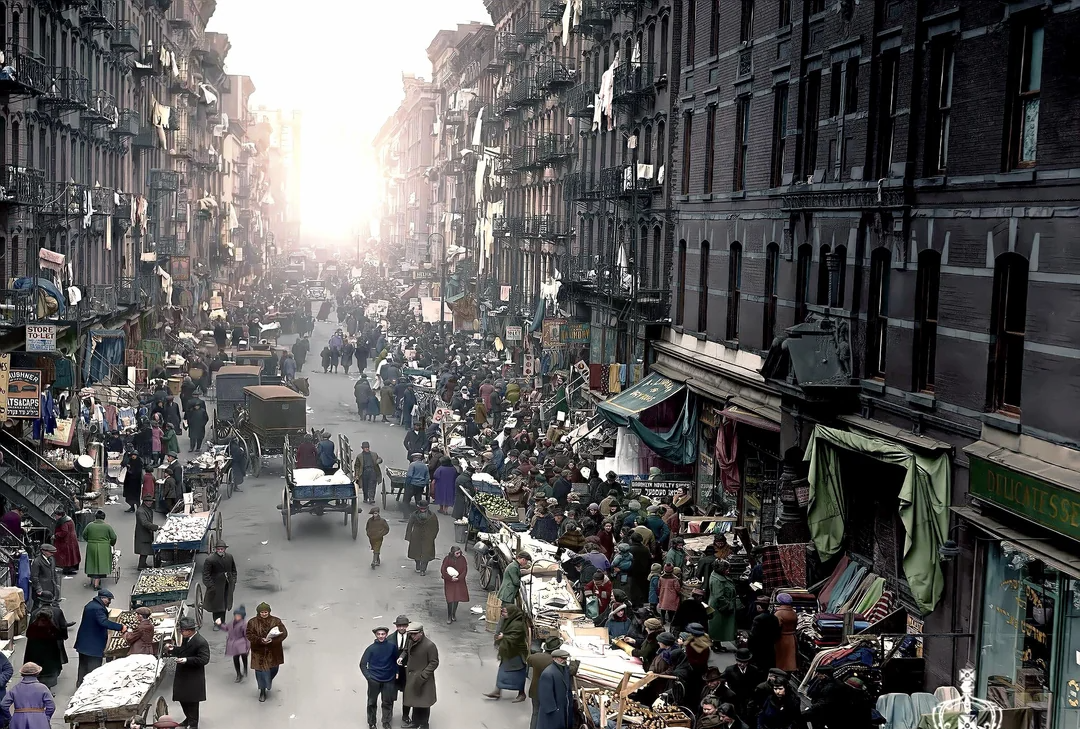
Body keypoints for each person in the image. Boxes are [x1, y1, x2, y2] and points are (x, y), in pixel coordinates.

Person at [73, 589, 125, 687]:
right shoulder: (98, 609)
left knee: (83, 665)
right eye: (109, 600)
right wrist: (120, 627)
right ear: (103, 598)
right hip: (93, 644)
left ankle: (80, 683)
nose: (109, 602)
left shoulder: (91, 605)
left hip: (84, 642)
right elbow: (103, 622)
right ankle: (91, 687)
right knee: (94, 667)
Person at [169, 617, 209, 728]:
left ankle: (193, 724)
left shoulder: (200, 642)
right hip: (184, 675)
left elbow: (204, 659)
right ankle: (188, 719)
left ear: (190, 630)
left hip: (193, 677)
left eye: (183, 630)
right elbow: (183, 650)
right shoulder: (187, 638)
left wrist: (186, 660)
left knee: (192, 703)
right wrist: (173, 649)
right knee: (183, 699)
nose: (181, 632)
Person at [484, 604, 529, 702]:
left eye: (505, 612)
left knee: (518, 675)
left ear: (511, 613)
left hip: (516, 654)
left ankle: (521, 694)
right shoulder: (507, 621)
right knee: (502, 672)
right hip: (508, 653)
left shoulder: (518, 625)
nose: (503, 614)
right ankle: (497, 691)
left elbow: (515, 638)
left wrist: (503, 637)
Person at [247, 602, 288, 702]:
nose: (264, 614)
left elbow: (284, 633)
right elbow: (249, 635)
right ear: (258, 612)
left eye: (266, 612)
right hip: (258, 652)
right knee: (260, 672)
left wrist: (273, 641)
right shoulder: (252, 622)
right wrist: (260, 640)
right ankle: (262, 691)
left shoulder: (276, 621)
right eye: (262, 612)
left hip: (273, 651)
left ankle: (268, 680)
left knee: (274, 669)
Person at [361, 626, 400, 729]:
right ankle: (372, 723)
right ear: (375, 635)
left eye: (383, 634)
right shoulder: (370, 649)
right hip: (374, 680)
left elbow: (396, 661)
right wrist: (369, 677)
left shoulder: (392, 647)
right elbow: (363, 664)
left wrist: (396, 672)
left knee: (387, 702)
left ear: (386, 634)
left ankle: (386, 722)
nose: (381, 636)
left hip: (389, 679)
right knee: (371, 702)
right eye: (378, 634)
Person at [401, 624, 439, 729]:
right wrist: (401, 657)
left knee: (424, 702)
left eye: (414, 634)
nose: (412, 636)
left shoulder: (429, 645)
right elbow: (405, 650)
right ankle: (415, 722)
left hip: (424, 679)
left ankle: (424, 724)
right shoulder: (410, 641)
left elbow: (434, 662)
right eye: (411, 634)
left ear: (421, 633)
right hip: (412, 677)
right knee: (415, 701)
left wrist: (423, 675)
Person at [22, 595, 63, 688]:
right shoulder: (51, 626)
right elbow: (60, 634)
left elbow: (28, 634)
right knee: (48, 673)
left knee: (38, 671)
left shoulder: (34, 620)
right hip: (50, 656)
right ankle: (46, 690)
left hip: (35, 653)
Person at [1, 663, 54, 729]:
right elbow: (51, 706)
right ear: (37, 673)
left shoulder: (16, 688)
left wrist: (9, 718)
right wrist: (46, 718)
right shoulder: (43, 688)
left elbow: (3, 705)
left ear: (22, 674)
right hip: (39, 720)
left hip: (18, 720)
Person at [526, 638, 562, 729]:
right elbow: (569, 671)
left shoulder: (536, 657)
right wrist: (575, 663)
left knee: (535, 713)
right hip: (549, 694)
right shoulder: (557, 662)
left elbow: (528, 660)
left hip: (535, 691)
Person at [202, 543, 237, 629]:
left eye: (222, 549)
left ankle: (223, 622)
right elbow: (206, 574)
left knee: (224, 604)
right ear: (216, 549)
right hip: (216, 586)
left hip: (227, 584)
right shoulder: (210, 559)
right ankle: (217, 623)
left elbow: (233, 570)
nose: (220, 551)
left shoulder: (229, 557)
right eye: (219, 549)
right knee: (217, 606)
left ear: (225, 549)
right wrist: (211, 586)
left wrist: (233, 580)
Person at [536, 648, 573, 729]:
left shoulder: (564, 669)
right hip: (554, 712)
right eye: (562, 658)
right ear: (554, 658)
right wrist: (554, 710)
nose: (564, 660)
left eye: (565, 658)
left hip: (563, 708)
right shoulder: (548, 673)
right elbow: (545, 696)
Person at [81, 511, 116, 592]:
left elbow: (84, 535)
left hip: (91, 546)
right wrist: (111, 543)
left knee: (92, 563)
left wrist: (89, 541)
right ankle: (96, 584)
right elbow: (113, 537)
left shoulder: (90, 525)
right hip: (103, 547)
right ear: (104, 518)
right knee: (101, 564)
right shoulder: (107, 527)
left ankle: (93, 578)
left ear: (95, 517)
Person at [708, 561, 737, 649]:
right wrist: (728, 604)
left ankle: (717, 644)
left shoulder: (719, 576)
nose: (728, 570)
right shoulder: (717, 580)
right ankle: (716, 644)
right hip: (720, 607)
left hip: (720, 606)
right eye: (726, 569)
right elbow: (719, 596)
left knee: (720, 626)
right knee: (718, 626)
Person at [405, 501, 439, 576]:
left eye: (424, 508)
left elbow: (436, 527)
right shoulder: (414, 515)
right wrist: (408, 536)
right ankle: (418, 565)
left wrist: (433, 536)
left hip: (428, 536)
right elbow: (410, 525)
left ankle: (423, 569)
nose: (423, 510)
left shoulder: (432, 515)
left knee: (426, 553)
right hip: (416, 535)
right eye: (421, 508)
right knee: (416, 552)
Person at [392, 615, 412, 726]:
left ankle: (405, 715)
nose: (401, 628)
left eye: (404, 626)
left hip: (407, 670)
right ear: (396, 626)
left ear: (407, 626)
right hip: (394, 670)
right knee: (390, 693)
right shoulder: (390, 638)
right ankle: (388, 715)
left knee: (407, 693)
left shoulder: (412, 638)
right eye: (399, 626)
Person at [440, 546, 469, 624]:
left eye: (460, 552)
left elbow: (464, 570)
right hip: (449, 583)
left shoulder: (462, 559)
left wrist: (459, 578)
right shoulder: (447, 559)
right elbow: (443, 569)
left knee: (456, 598)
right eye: (457, 553)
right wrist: (450, 578)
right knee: (450, 599)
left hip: (459, 582)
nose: (459, 554)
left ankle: (453, 614)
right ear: (453, 553)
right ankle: (449, 616)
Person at [225, 605, 250, 682]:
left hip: (241, 644)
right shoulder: (231, 623)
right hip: (234, 645)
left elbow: (247, 636)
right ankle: (238, 674)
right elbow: (226, 628)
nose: (237, 617)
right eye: (236, 615)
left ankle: (245, 669)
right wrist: (219, 625)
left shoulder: (244, 624)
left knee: (244, 657)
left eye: (239, 615)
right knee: (235, 659)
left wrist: (248, 646)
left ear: (242, 616)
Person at [134, 496, 160, 571]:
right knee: (144, 549)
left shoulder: (146, 509)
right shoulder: (141, 511)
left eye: (151, 501)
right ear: (145, 502)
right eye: (149, 501)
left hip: (146, 532)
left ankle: (143, 564)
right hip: (142, 533)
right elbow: (144, 523)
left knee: (145, 549)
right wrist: (156, 527)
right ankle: (141, 565)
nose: (150, 503)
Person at [773, 593, 797, 672]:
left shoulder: (778, 613)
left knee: (782, 657)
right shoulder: (793, 613)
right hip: (792, 637)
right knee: (791, 657)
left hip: (782, 638)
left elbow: (777, 627)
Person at [29, 545, 58, 611]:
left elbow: (53, 572)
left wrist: (56, 584)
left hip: (51, 587)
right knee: (37, 606)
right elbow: (34, 577)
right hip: (42, 589)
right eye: (50, 552)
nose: (52, 554)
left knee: (53, 605)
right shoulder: (37, 562)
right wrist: (39, 589)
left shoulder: (52, 559)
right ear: (43, 551)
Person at [51, 510, 80, 575]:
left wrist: (56, 535)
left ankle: (67, 570)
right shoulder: (68, 519)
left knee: (67, 556)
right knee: (72, 555)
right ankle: (69, 569)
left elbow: (64, 532)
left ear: (60, 515)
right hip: (71, 540)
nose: (55, 517)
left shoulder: (64, 522)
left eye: (56, 515)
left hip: (66, 541)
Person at [402, 453, 430, 521]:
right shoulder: (425, 466)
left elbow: (409, 476)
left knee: (406, 501)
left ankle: (406, 516)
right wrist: (423, 484)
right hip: (420, 486)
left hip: (412, 485)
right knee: (418, 501)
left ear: (414, 458)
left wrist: (407, 484)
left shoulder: (412, 465)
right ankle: (420, 516)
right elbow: (427, 478)